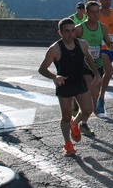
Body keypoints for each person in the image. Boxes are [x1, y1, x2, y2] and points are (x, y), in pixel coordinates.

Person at [38, 18, 102, 156]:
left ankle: (75, 125)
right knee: (66, 117)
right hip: (64, 85)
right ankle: (68, 144)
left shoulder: (82, 44)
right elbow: (42, 69)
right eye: (67, 31)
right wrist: (55, 77)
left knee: (88, 110)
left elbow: (89, 58)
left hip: (79, 81)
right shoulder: (55, 49)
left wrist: (96, 74)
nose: (71, 34)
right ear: (60, 32)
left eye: (73, 30)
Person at [74, 1, 113, 135]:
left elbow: (107, 42)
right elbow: (70, 42)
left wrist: (112, 44)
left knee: (93, 98)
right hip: (83, 66)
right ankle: (81, 123)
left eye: (98, 11)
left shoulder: (102, 27)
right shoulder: (79, 28)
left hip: (97, 64)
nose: (96, 14)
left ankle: (81, 122)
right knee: (92, 94)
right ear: (87, 13)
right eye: (93, 12)